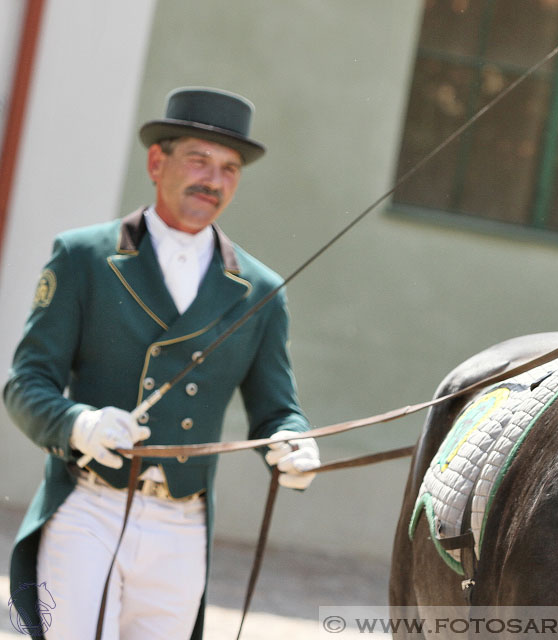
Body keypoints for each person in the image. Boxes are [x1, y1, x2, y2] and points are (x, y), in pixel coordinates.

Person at [5, 87, 321, 639]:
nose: (214, 180)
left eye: (229, 169)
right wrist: (80, 423)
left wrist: (293, 445)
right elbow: (26, 384)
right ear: (157, 161)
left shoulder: (260, 291)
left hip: (182, 525)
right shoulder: (85, 258)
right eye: (199, 160)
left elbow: (276, 411)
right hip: (87, 508)